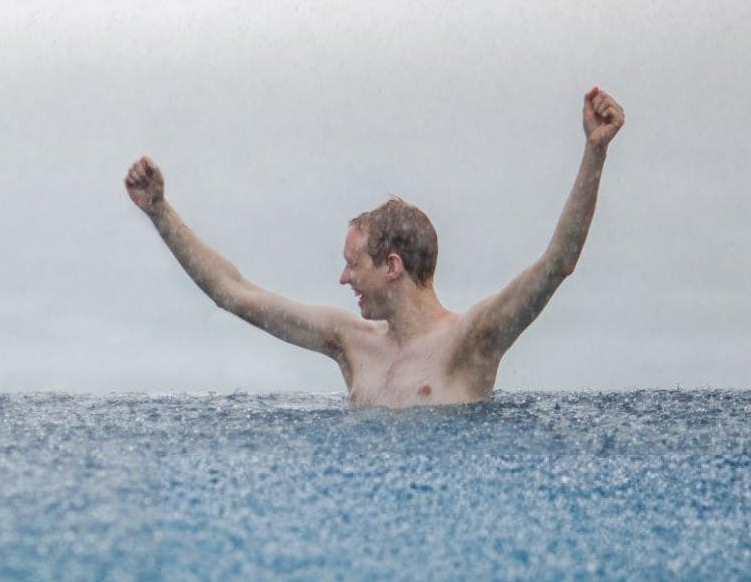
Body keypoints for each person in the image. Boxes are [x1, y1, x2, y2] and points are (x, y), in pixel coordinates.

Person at [124, 88, 627, 407]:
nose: (343, 280)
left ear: (392, 266)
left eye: (352, 265)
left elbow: (558, 263)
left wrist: (594, 151)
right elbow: (233, 293)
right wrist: (160, 212)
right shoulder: (350, 341)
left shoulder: (471, 340)